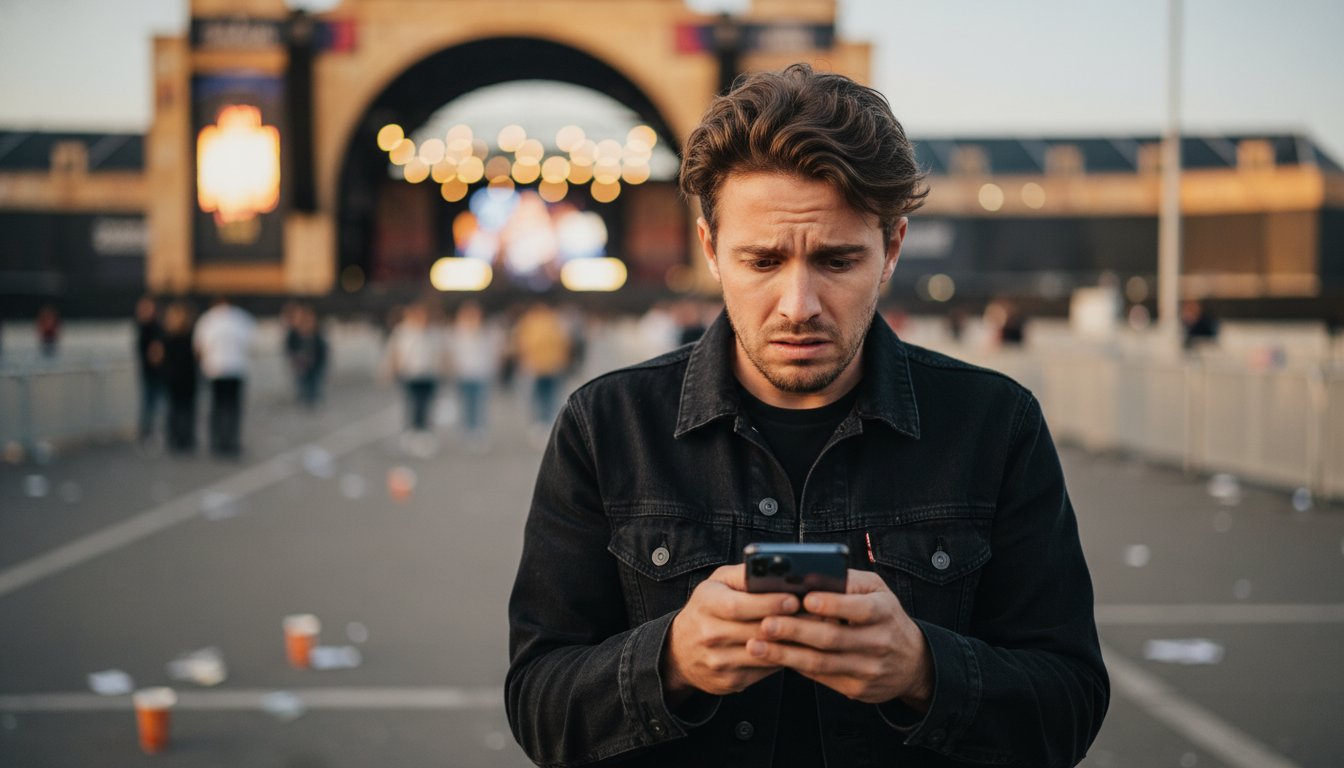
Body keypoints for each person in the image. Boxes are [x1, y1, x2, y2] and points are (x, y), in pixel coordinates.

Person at [507, 64, 1108, 767]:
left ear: (892, 250)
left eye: (836, 259)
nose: (799, 305)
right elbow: (538, 706)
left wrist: (923, 670)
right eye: (762, 261)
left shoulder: (995, 425)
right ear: (710, 250)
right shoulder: (606, 426)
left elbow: (1069, 706)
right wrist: (668, 662)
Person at [193, 296, 256, 458]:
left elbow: (198, 347)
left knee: (217, 408)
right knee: (233, 409)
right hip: (236, 369)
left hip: (215, 370)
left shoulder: (207, 319)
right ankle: (232, 443)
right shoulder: (242, 318)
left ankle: (217, 443)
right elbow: (251, 344)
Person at [382, 302, 447, 433]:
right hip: (410, 374)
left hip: (429, 375)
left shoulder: (434, 331)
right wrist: (389, 370)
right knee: (412, 405)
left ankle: (424, 430)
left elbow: (441, 352)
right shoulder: (403, 331)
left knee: (426, 405)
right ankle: (412, 431)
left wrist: (443, 368)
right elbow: (394, 352)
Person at [513, 302, 572, 432]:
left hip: (551, 366)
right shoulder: (530, 322)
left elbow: (563, 343)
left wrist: (562, 361)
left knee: (550, 396)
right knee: (538, 396)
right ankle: (540, 421)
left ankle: (549, 420)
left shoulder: (554, 321)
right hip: (537, 367)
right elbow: (522, 344)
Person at [448, 300, 502, 444]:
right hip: (463, 373)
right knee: (465, 403)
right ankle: (466, 429)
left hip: (482, 373)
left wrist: (495, 369)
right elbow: (451, 353)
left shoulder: (487, 331)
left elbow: (494, 352)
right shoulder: (457, 332)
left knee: (480, 403)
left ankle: (479, 430)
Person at [160, 301, 198, 454]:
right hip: (188, 377)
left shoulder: (166, 336)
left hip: (172, 377)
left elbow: (157, 356)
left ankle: (174, 439)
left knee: (173, 409)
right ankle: (186, 439)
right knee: (187, 410)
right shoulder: (191, 334)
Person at [134, 296, 166, 440]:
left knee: (155, 403)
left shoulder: (154, 327)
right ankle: (147, 432)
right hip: (149, 371)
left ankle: (152, 432)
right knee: (149, 404)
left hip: (157, 372)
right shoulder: (143, 327)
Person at [285, 304, 328, 409]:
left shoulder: (316, 332)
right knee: (303, 382)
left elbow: (322, 348)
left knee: (314, 383)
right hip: (301, 363)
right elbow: (290, 346)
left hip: (315, 362)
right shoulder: (295, 332)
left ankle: (312, 401)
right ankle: (304, 400)